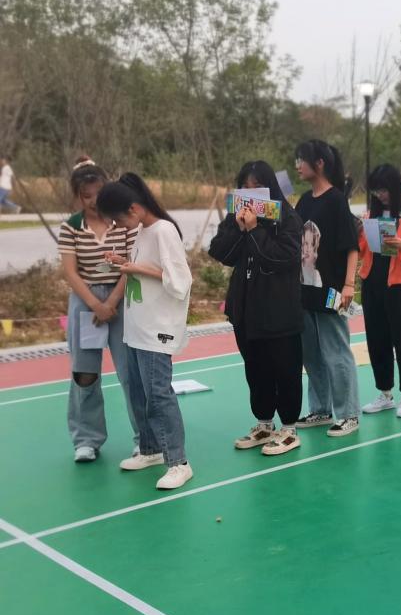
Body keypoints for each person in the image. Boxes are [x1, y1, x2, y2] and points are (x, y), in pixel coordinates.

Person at [97, 174, 194, 490]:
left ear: (134, 208)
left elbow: (180, 281)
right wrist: (123, 262)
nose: (117, 225)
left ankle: (178, 462)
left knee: (158, 394)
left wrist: (135, 268)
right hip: (137, 326)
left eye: (118, 219)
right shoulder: (142, 231)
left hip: (157, 328)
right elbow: (148, 270)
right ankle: (151, 449)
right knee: (138, 391)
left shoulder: (164, 230)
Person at [208, 161, 304, 456]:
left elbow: (282, 258)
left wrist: (254, 230)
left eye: (257, 187)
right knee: (255, 368)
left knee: (285, 369)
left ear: (270, 188)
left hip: (279, 309)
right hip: (246, 308)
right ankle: (264, 423)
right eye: (245, 187)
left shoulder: (287, 218)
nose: (250, 194)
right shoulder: (237, 216)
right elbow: (220, 251)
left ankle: (289, 428)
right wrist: (240, 230)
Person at [58, 156, 139, 463]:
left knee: (130, 372)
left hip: (121, 297)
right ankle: (86, 439)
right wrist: (96, 305)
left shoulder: (124, 221)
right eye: (86, 196)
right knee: (85, 373)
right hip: (86, 302)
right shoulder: (71, 227)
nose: (93, 201)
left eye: (98, 193)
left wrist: (111, 302)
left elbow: (130, 264)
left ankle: (144, 437)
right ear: (77, 196)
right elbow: (70, 272)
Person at [292, 140, 362, 437]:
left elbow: (351, 246)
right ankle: (321, 409)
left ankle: (349, 414)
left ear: (319, 163)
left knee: (336, 352)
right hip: (304, 291)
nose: (298, 165)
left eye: (302, 160)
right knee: (312, 355)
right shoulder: (304, 201)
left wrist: (348, 284)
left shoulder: (335, 201)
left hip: (331, 291)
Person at [359, 164, 401, 418]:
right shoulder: (371, 214)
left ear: (395, 187)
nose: (381, 195)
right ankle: (385, 393)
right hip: (372, 284)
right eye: (376, 191)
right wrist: (361, 230)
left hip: (400, 287)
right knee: (377, 341)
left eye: (384, 189)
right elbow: (362, 249)